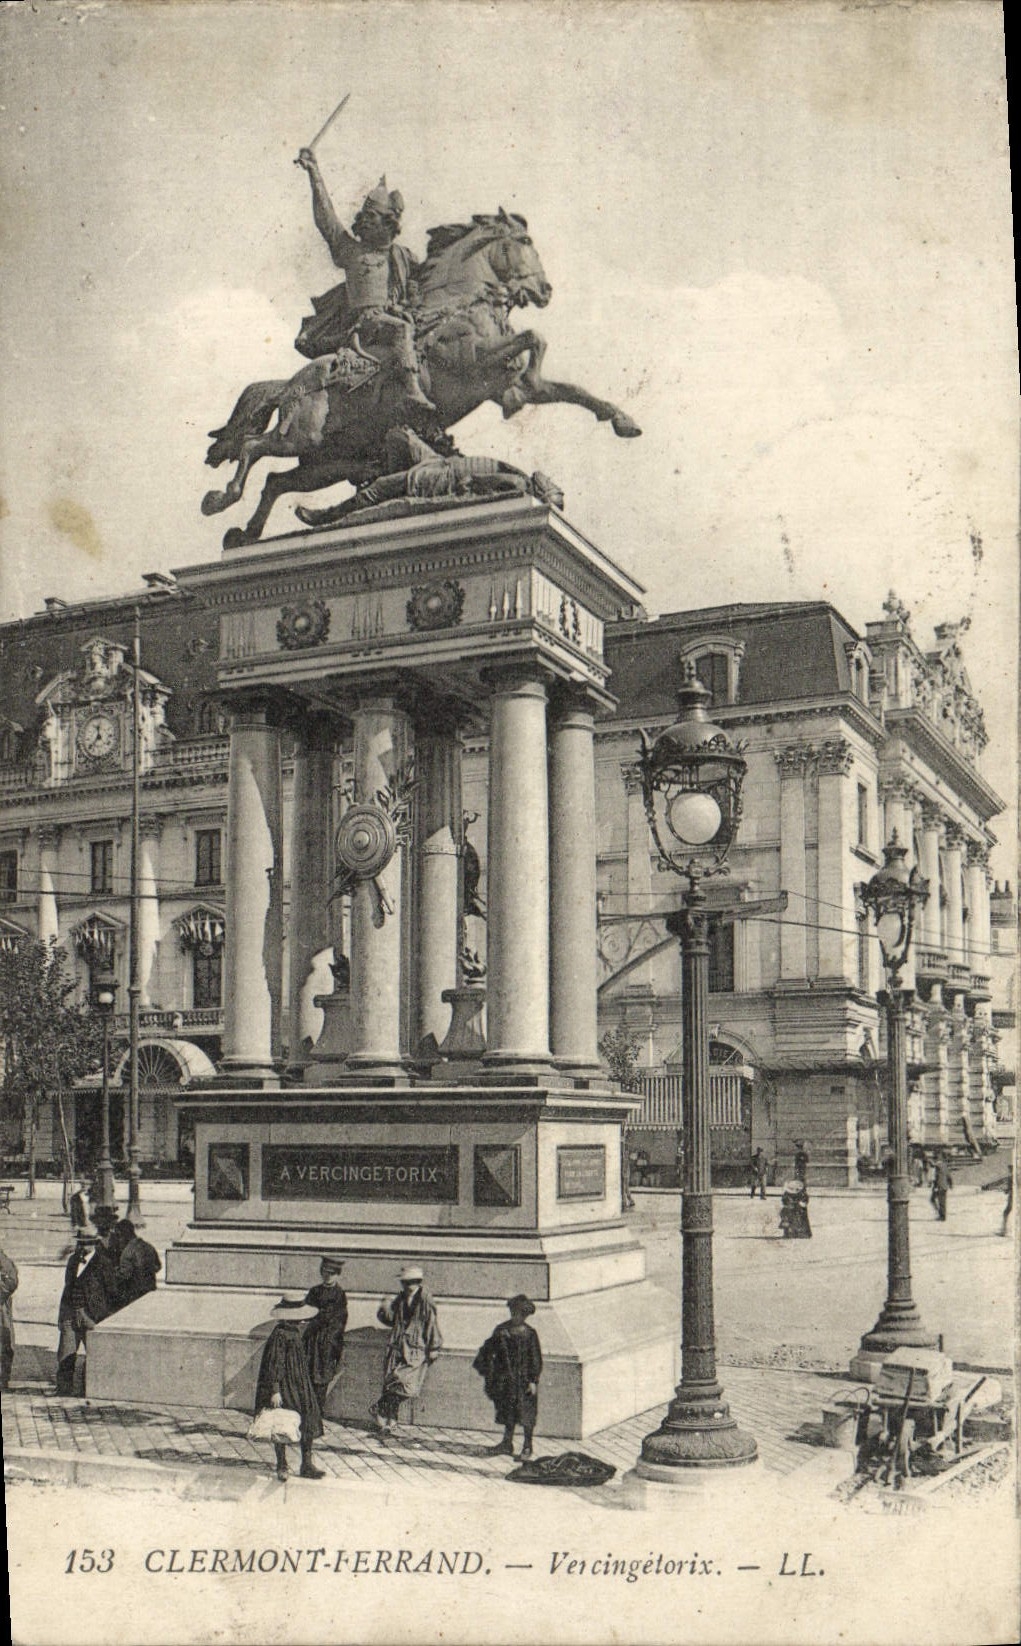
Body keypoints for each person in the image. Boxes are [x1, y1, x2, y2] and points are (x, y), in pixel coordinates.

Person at [294, 149, 433, 416]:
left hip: (391, 316)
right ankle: (413, 391)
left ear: (388, 224)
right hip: (365, 322)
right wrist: (315, 174)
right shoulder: (350, 250)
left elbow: (425, 283)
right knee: (402, 331)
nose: (364, 222)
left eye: (372, 218)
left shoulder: (403, 256)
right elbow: (326, 218)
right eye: (364, 218)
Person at [253, 1295, 324, 1481]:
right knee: (282, 1423)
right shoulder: (280, 1334)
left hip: (300, 1384)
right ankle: (282, 1464)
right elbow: (274, 1363)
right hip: (285, 1385)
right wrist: (275, 1390)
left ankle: (306, 1464)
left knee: (308, 1419)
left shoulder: (295, 1332)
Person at [371, 1264, 442, 1434]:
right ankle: (391, 1420)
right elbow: (390, 1320)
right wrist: (384, 1307)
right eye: (405, 1283)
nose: (408, 1286)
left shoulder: (425, 1299)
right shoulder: (401, 1298)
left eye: (411, 1283)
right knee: (391, 1384)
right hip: (397, 1346)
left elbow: (431, 1324)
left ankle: (378, 1407)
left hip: (416, 1348)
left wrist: (434, 1346)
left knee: (405, 1385)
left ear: (418, 1283)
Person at [472, 1295, 543, 1459]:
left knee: (526, 1415)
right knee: (507, 1412)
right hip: (505, 1380)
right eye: (513, 1312)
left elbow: (536, 1358)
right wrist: (489, 1371)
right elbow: (486, 1351)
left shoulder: (530, 1334)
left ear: (525, 1315)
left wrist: (533, 1380)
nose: (515, 1316)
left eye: (519, 1314)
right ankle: (506, 1443)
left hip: (524, 1381)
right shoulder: (501, 1331)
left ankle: (527, 1446)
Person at [55, 1222, 121, 1395]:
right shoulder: (73, 1260)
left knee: (94, 1353)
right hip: (70, 1312)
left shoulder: (104, 1263)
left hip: (91, 1315)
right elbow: (68, 1286)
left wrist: (102, 1317)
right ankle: (63, 1388)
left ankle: (89, 1389)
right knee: (66, 1352)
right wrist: (63, 1315)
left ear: (94, 1243)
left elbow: (112, 1292)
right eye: (80, 1243)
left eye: (85, 1244)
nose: (82, 1248)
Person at [302, 1256, 349, 1417]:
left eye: (332, 1273)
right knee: (308, 1376)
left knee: (322, 1379)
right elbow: (306, 1313)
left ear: (337, 1274)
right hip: (312, 1341)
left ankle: (316, 1414)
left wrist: (331, 1342)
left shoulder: (339, 1294)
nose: (328, 1276)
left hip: (328, 1344)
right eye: (325, 1272)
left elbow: (339, 1321)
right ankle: (308, 1411)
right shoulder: (314, 1291)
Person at [112, 1219, 162, 1307]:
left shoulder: (127, 1252)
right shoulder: (149, 1246)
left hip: (135, 1296)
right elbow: (158, 1266)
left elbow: (125, 1275)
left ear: (125, 1235)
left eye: (119, 1236)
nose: (118, 1240)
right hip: (151, 1291)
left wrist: (113, 1272)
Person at [0, 1244, 18, 1391]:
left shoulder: (3, 1260)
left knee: (4, 1343)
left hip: (1, 1310)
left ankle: (2, 1379)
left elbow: (11, 1282)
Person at [930, 1153, 953, 1221]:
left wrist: (935, 1187)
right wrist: (950, 1184)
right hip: (944, 1186)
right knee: (941, 1201)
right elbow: (949, 1176)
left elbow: (936, 1177)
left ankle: (942, 1216)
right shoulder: (945, 1166)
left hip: (939, 1186)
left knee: (939, 1201)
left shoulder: (938, 1166)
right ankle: (941, 1215)